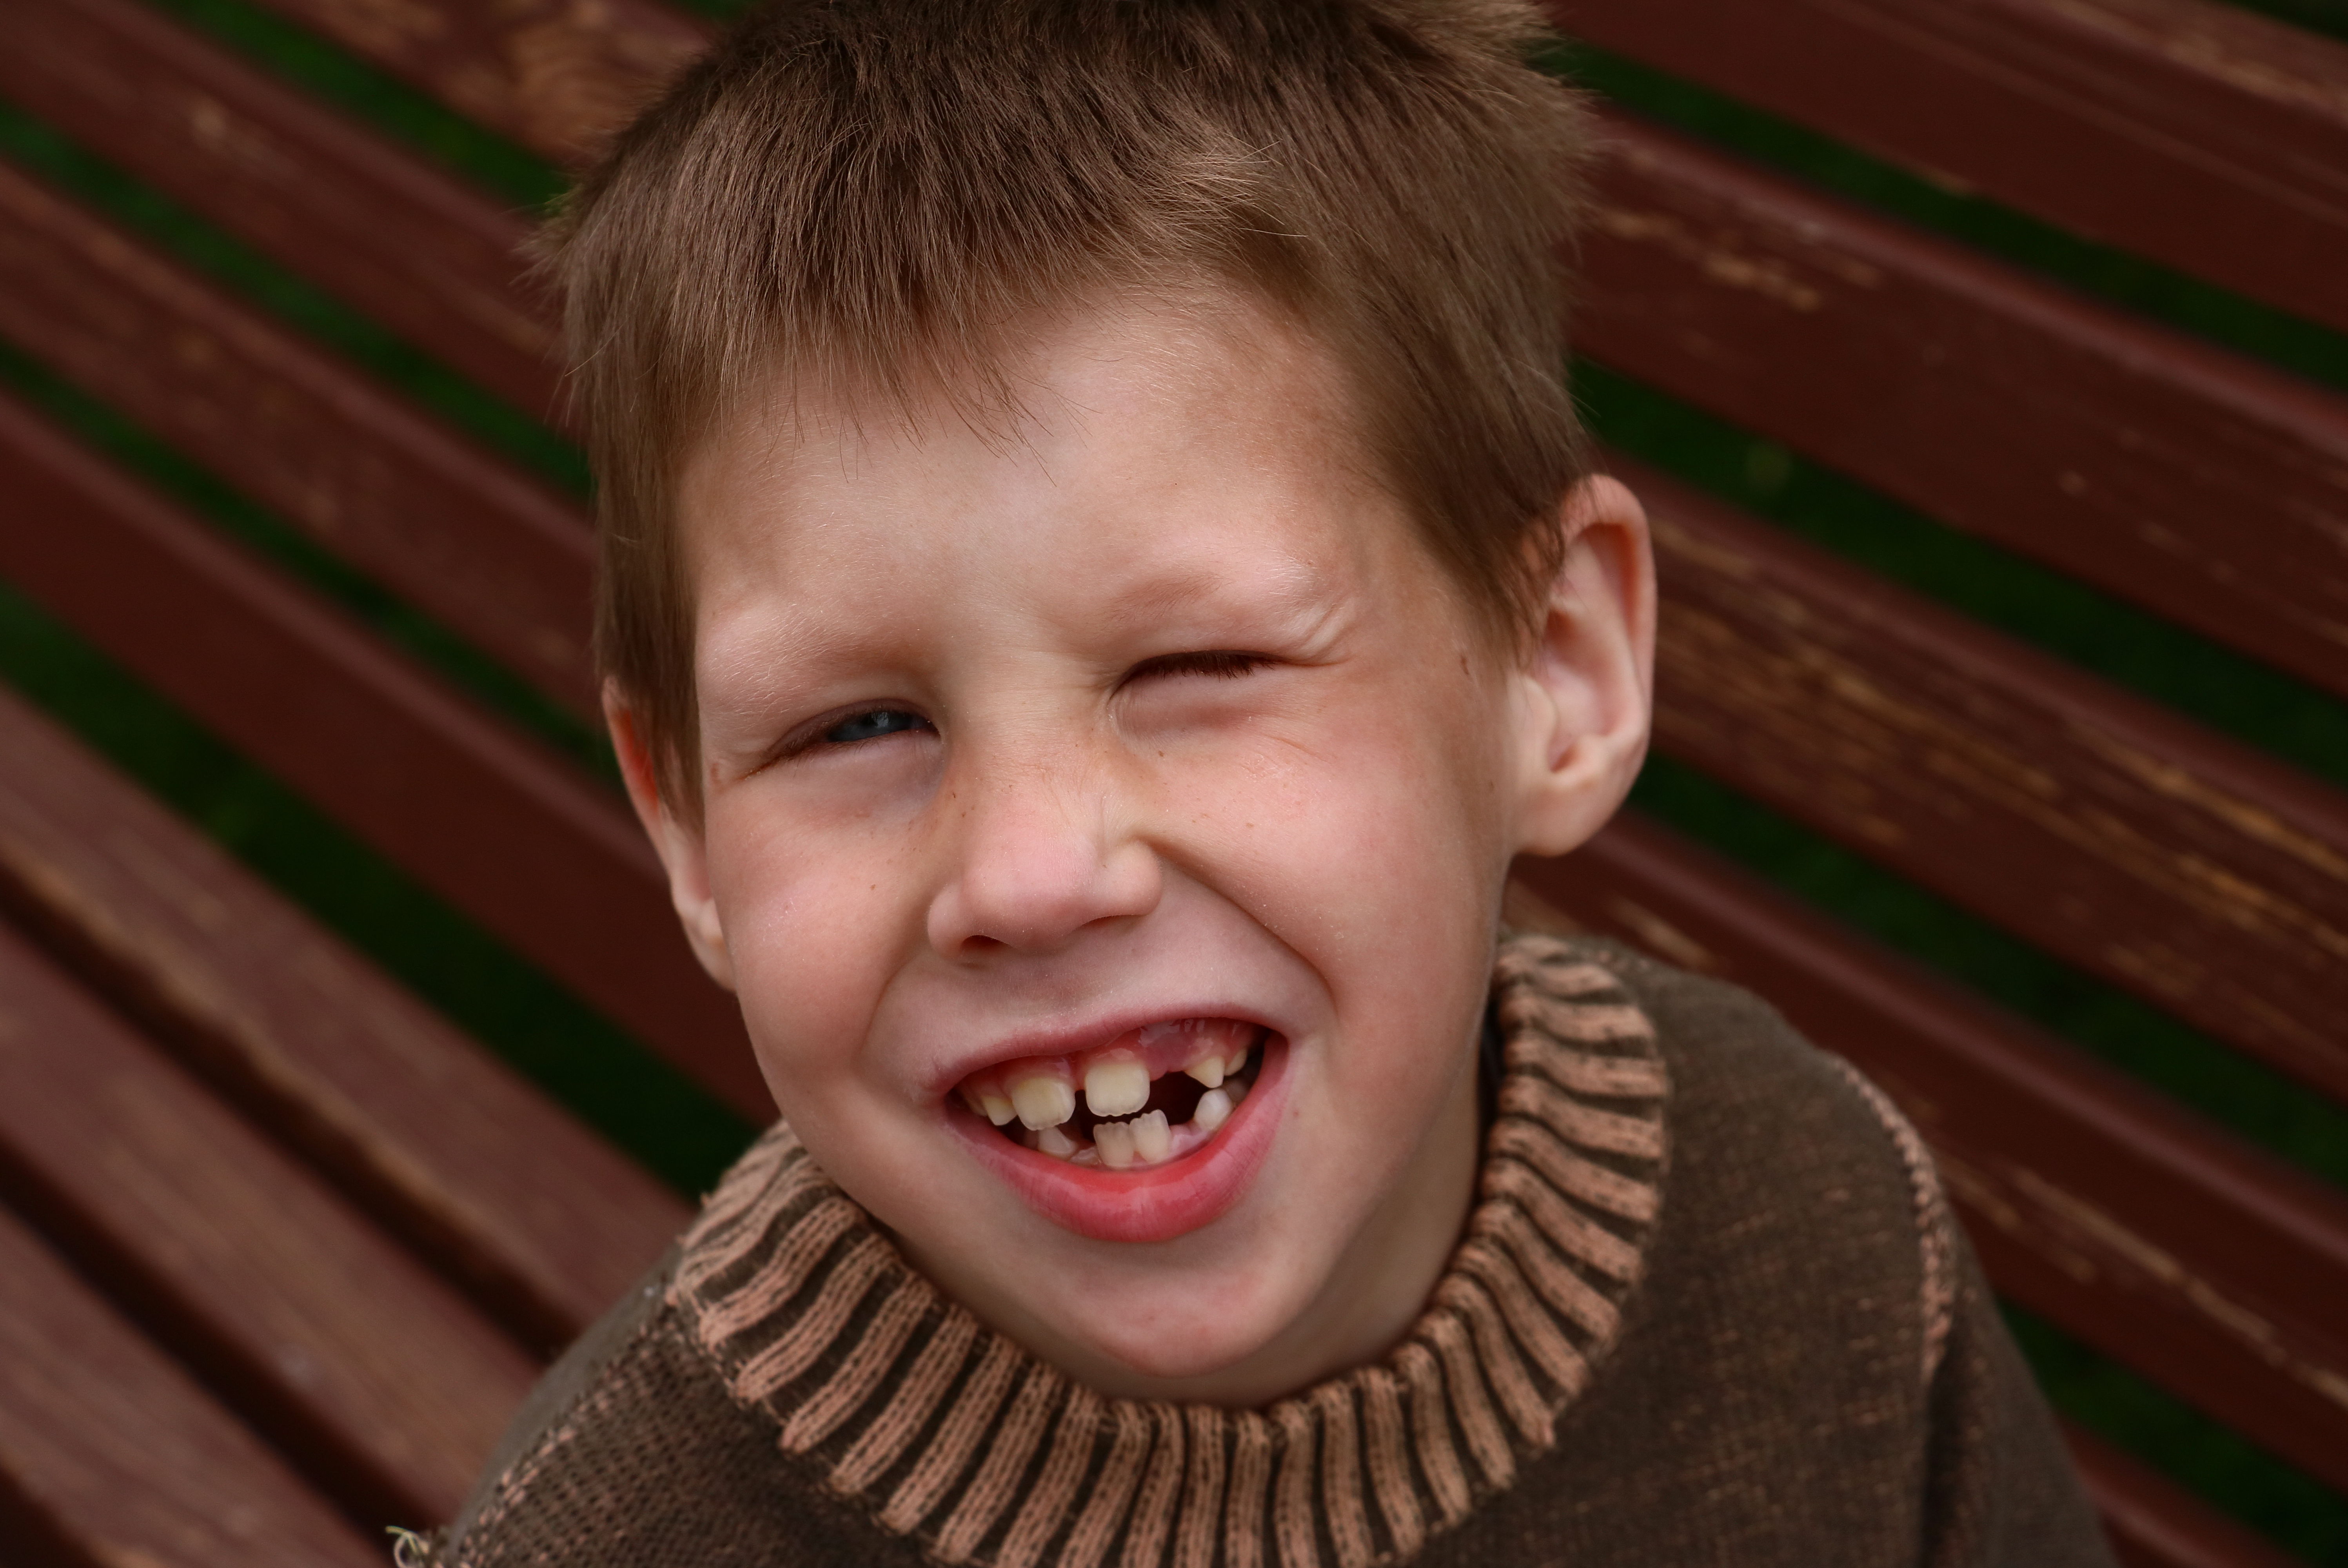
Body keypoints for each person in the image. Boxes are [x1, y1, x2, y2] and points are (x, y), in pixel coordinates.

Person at [422, 2, 2115, 1563]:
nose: (1030, 872)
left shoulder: (1809, 1229)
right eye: (856, 728)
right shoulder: (613, 1539)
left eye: (1197, 665)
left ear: (1554, 673)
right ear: (688, 826)